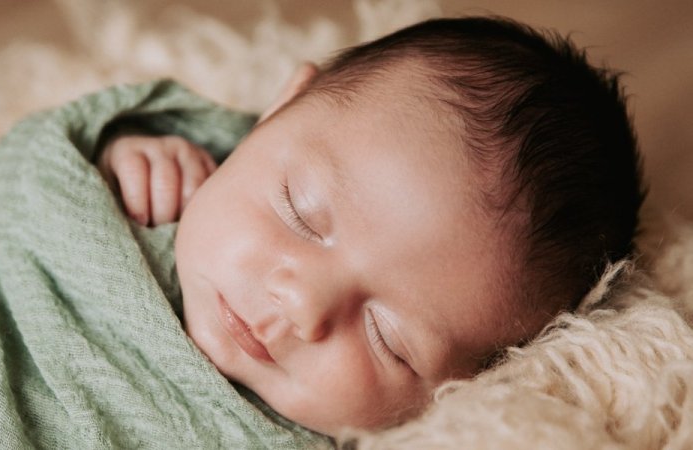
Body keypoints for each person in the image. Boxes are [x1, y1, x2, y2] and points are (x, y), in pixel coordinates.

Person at [97, 16, 644, 436]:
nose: (301, 305)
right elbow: (24, 189)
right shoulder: (155, 190)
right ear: (279, 107)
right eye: (299, 212)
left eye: (388, 339)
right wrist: (114, 160)